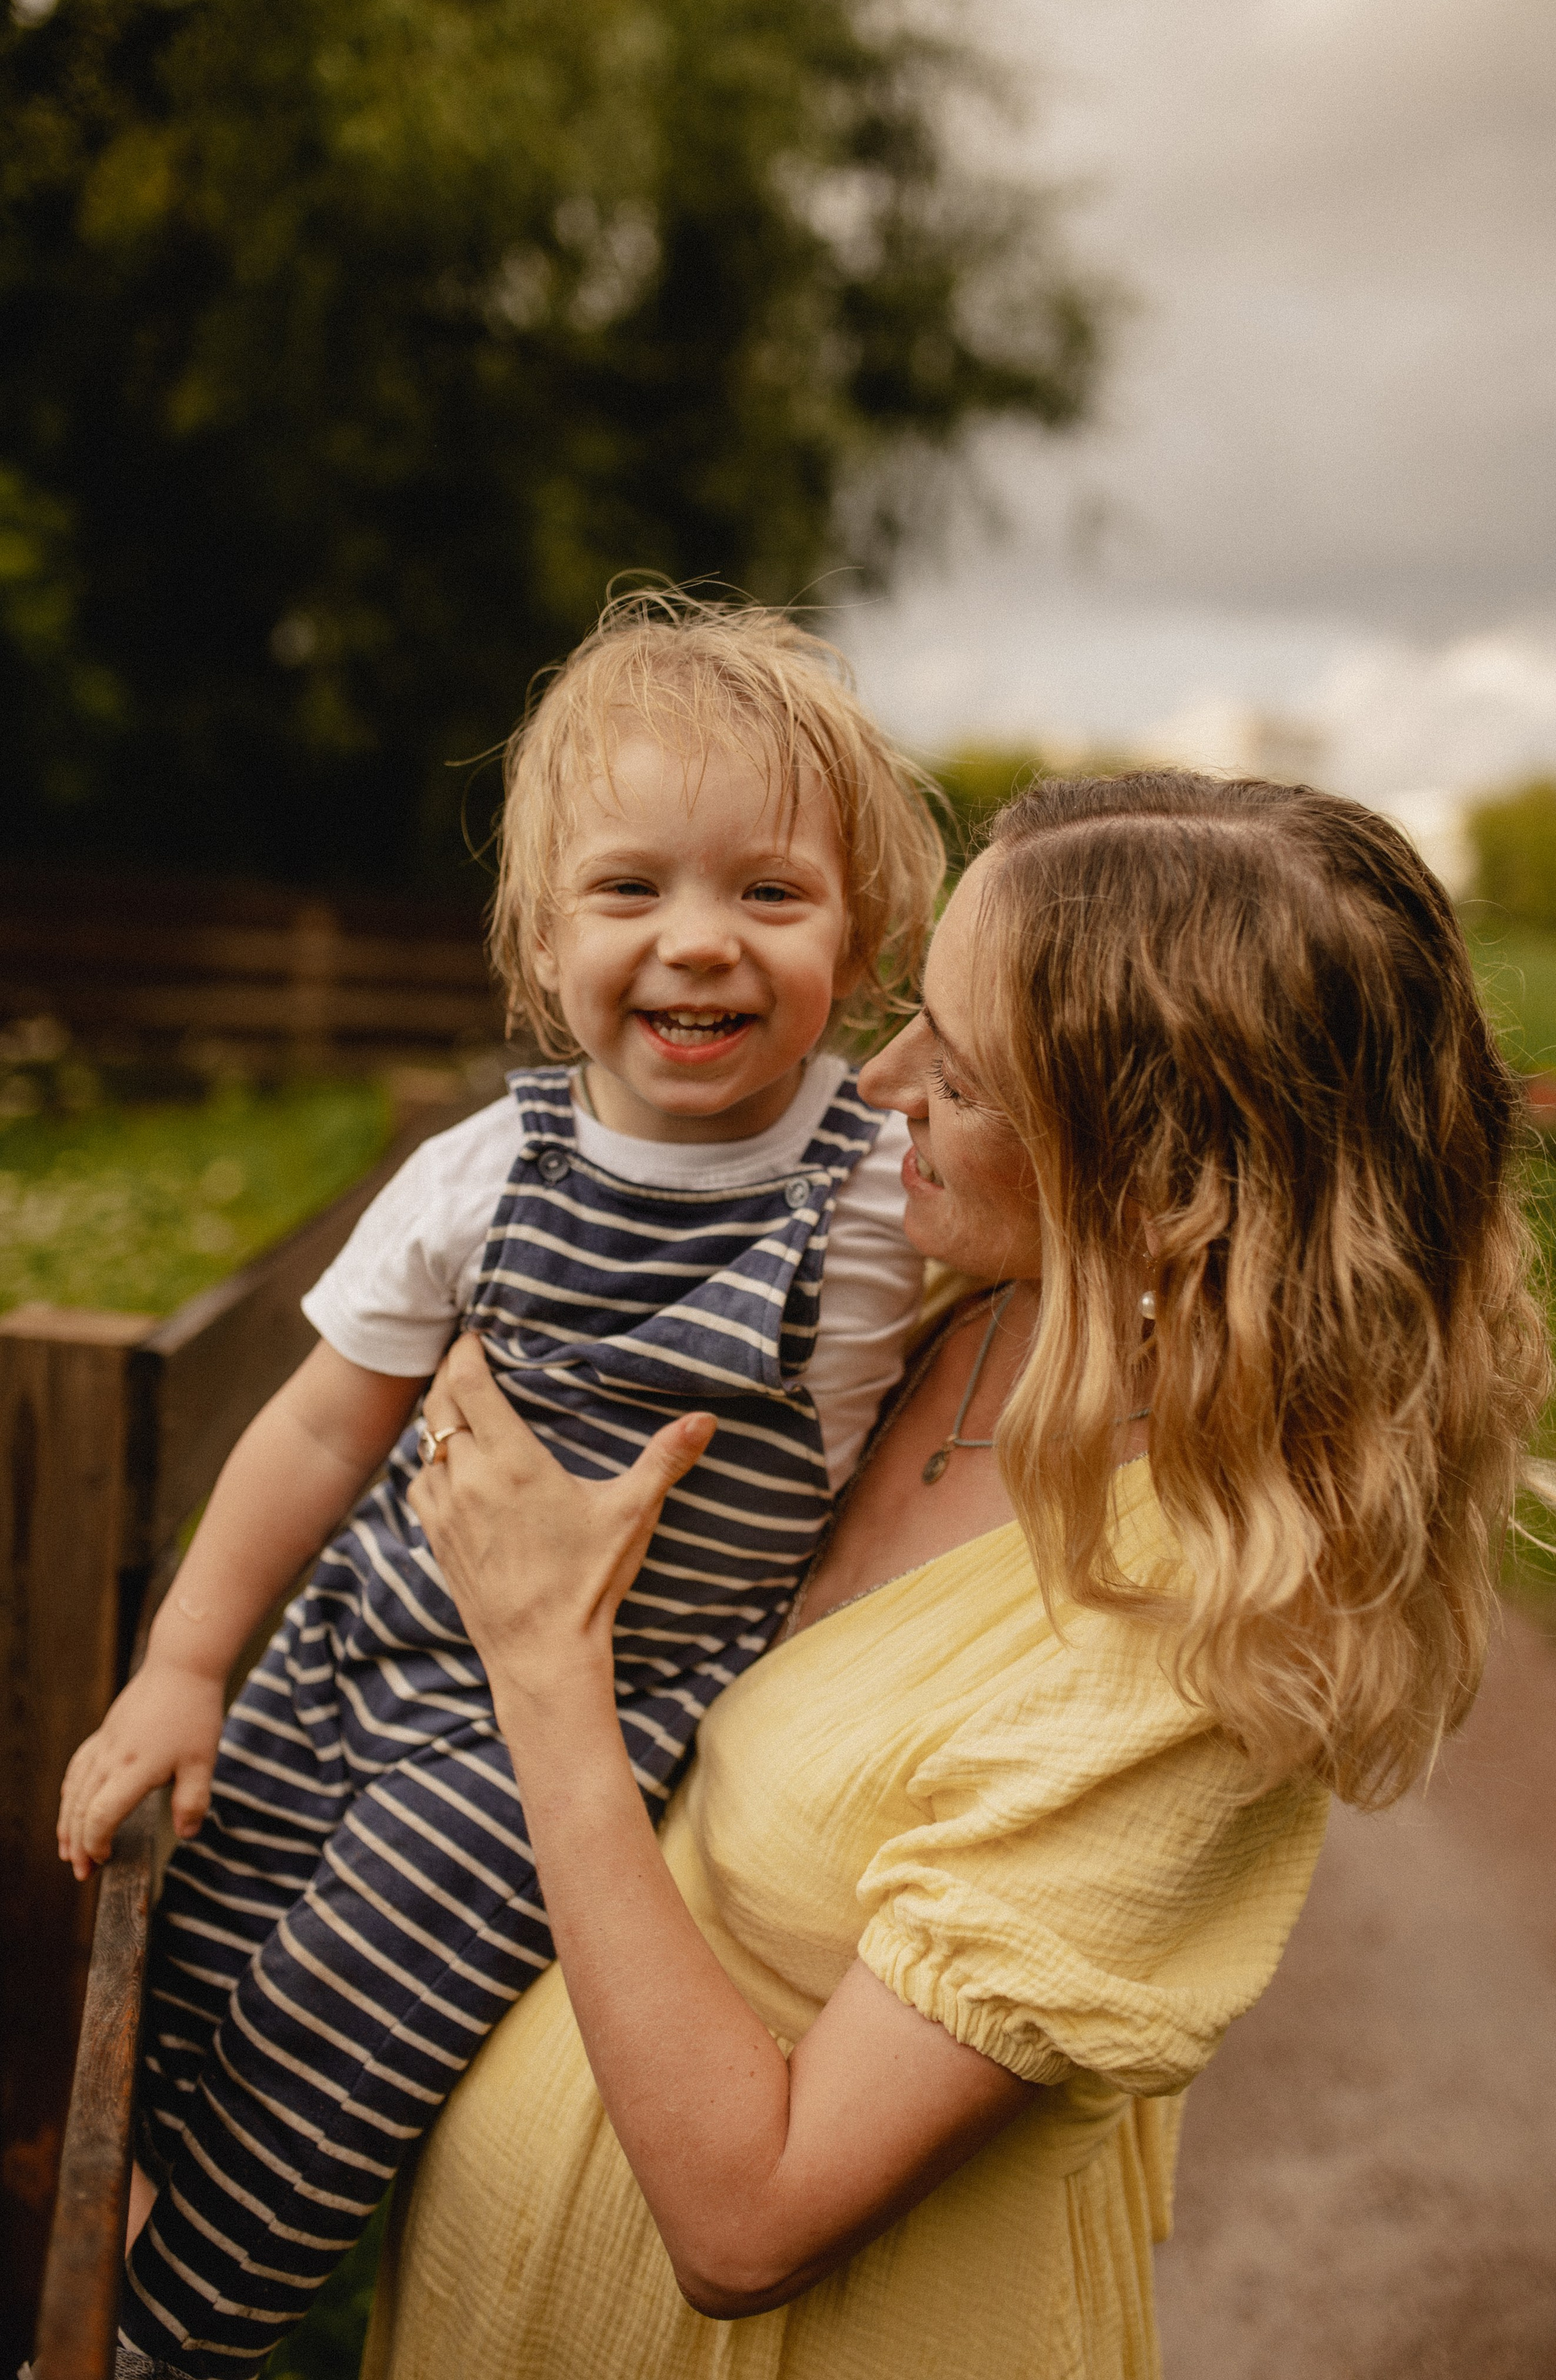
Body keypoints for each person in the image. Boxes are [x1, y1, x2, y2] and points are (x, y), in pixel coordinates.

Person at [366, 770, 1553, 2380]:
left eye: (969, 1078)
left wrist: (543, 1661)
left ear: (1168, 1176)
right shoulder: (957, 1305)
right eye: (913, 1015)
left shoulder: (1206, 1644)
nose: (878, 1088)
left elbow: (749, 2222)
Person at [53, 592, 947, 2379]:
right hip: (356, 1648)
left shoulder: (882, 1198)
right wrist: (183, 1668)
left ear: (858, 945)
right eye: (632, 890)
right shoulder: (483, 1169)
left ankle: (174, 2347)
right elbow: (319, 1427)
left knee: (329, 2036)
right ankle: (116, 2242)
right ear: (544, 941)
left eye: (768, 893)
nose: (698, 944)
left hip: (568, 1729)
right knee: (185, 1967)